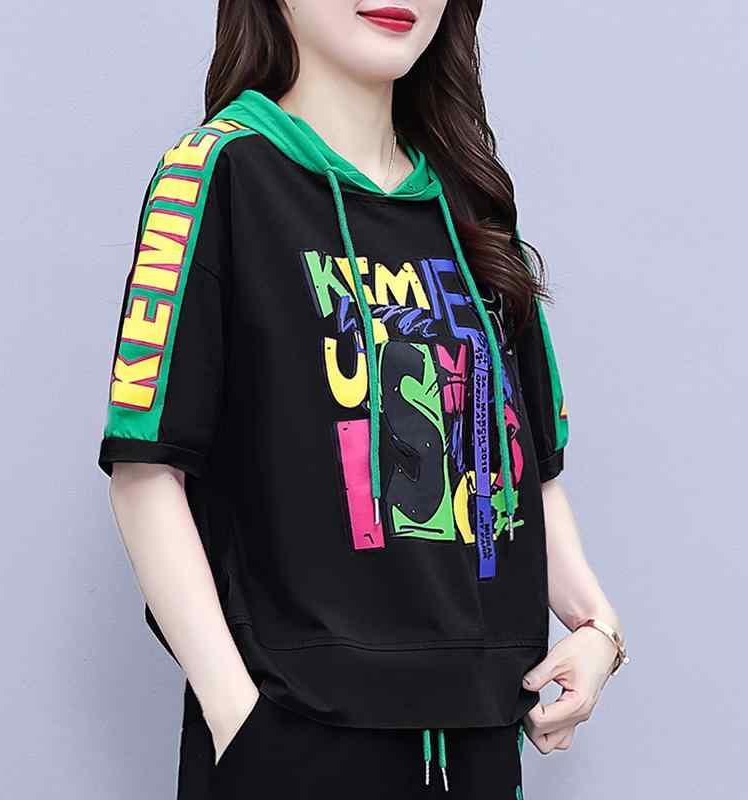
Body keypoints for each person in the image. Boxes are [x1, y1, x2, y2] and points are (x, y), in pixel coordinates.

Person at [97, 1, 628, 797]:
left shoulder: (472, 206)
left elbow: (526, 473)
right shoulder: (217, 174)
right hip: (295, 744)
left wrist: (598, 628)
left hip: (480, 746)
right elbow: (146, 469)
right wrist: (240, 720)